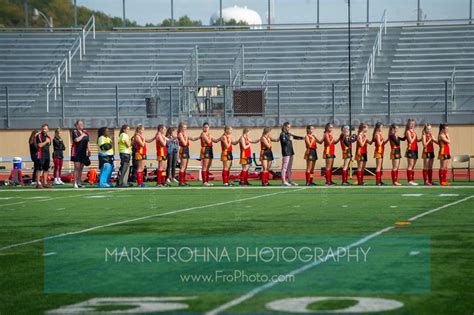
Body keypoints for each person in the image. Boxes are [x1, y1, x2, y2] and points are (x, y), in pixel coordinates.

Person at [280, 122, 304, 186]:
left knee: (289, 168)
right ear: (284, 127)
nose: (289, 128)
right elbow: (284, 142)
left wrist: (303, 138)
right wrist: (289, 139)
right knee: (284, 167)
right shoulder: (282, 134)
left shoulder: (288, 134)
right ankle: (283, 181)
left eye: (290, 127)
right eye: (288, 127)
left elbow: (295, 137)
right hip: (286, 152)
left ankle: (290, 181)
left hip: (291, 152)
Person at [177, 122, 199, 186]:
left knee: (185, 166)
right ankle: (181, 182)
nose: (185, 129)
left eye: (186, 127)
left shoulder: (185, 134)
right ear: (181, 128)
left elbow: (192, 139)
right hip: (183, 149)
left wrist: (198, 137)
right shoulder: (180, 134)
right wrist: (187, 138)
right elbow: (184, 143)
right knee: (183, 166)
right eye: (184, 127)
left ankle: (183, 181)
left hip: (186, 149)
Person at [71, 120, 90, 189]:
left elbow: (87, 141)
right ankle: (75, 182)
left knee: (81, 168)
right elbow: (76, 140)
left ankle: (79, 182)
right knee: (77, 167)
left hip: (83, 152)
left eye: (82, 123)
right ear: (77, 125)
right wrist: (82, 135)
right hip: (76, 151)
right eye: (80, 124)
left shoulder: (85, 132)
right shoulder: (74, 132)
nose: (82, 125)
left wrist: (89, 150)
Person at [200, 122, 221, 186]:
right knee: (205, 166)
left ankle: (207, 181)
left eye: (207, 127)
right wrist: (210, 138)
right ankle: (204, 182)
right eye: (205, 127)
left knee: (208, 166)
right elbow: (208, 141)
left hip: (210, 149)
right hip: (205, 149)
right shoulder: (203, 134)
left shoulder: (209, 134)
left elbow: (215, 140)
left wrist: (221, 137)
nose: (206, 128)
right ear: (203, 127)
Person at [35, 124, 52, 189]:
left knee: (46, 169)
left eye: (45, 129)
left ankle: (45, 183)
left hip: (47, 154)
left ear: (48, 130)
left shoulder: (49, 137)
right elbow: (39, 145)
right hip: (41, 154)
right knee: (39, 168)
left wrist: (47, 141)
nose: (44, 130)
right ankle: (38, 183)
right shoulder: (39, 136)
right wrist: (46, 141)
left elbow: (48, 146)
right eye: (43, 129)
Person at [405, 118, 421, 186]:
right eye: (411, 124)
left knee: (413, 166)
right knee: (410, 166)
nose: (412, 125)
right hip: (410, 150)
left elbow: (416, 140)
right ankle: (410, 180)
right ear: (408, 124)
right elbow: (411, 141)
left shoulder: (413, 131)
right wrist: (414, 136)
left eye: (413, 124)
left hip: (415, 149)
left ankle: (412, 180)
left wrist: (422, 137)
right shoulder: (408, 131)